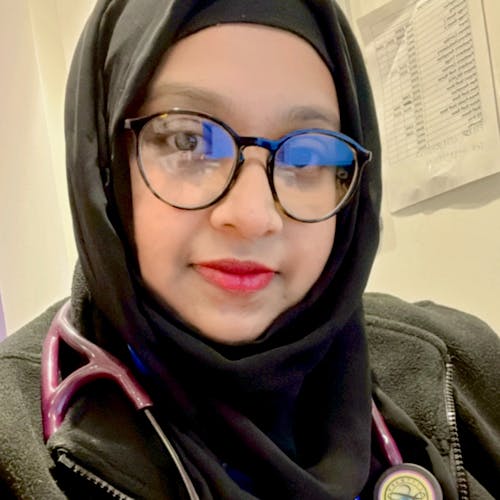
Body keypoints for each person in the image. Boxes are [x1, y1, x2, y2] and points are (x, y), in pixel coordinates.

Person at [0, 1, 498, 498]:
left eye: (308, 155)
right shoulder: (10, 440)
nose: (254, 216)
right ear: (105, 166)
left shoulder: (460, 367)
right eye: (187, 141)